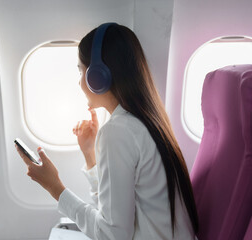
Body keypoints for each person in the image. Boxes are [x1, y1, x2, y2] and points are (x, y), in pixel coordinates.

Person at [15, 23, 199, 240]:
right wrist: (90, 155)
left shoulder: (117, 131)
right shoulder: (146, 121)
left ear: (98, 76)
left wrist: (54, 187)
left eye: (81, 71)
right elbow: (112, 215)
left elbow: (113, 235)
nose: (79, 81)